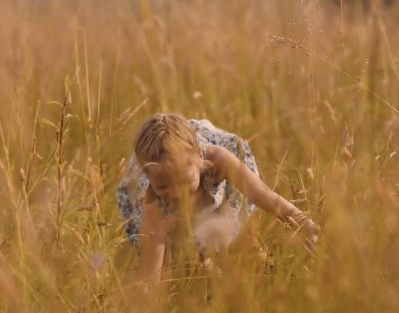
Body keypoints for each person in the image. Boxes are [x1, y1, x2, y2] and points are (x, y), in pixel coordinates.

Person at [116, 113, 320, 284]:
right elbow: (149, 279)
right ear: (148, 177)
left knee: (226, 246)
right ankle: (199, 264)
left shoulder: (217, 161)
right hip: (169, 222)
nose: (177, 194)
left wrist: (302, 221)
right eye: (163, 186)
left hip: (213, 197)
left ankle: (214, 261)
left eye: (183, 182)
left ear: (198, 157)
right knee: (177, 262)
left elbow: (263, 194)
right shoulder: (153, 204)